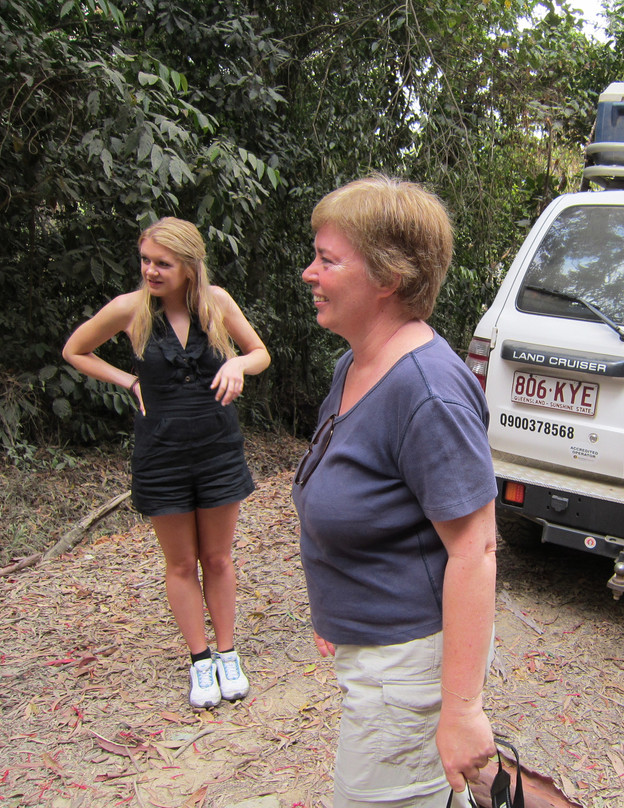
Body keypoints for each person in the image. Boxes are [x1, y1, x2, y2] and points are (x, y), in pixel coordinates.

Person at [292, 175, 499, 807]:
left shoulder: (426, 391)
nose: (309, 273)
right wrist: (343, 611)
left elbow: (475, 550)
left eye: (328, 260)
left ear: (388, 277)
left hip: (406, 669)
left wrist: (461, 710)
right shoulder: (355, 364)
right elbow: (366, 503)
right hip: (376, 650)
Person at [63, 217, 270, 709]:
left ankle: (227, 653)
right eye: (145, 261)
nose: (151, 271)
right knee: (180, 562)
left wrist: (238, 364)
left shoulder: (216, 304)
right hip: (160, 452)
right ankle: (199, 661)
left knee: (218, 558)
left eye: (163, 263)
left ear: (188, 267)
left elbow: (260, 352)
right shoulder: (130, 310)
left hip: (218, 448)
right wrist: (129, 381)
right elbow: (76, 349)